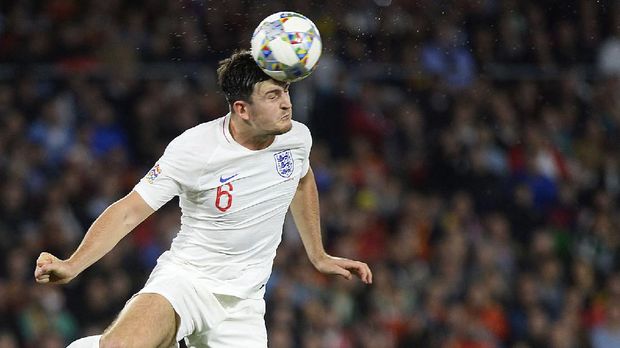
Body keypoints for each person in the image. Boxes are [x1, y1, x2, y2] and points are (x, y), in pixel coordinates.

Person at [33, 50, 373, 348]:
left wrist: (317, 254)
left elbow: (301, 178)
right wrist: (71, 264)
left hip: (244, 305)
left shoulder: (297, 138)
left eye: (285, 90)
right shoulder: (195, 149)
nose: (286, 102)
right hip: (188, 279)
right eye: (272, 96)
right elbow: (129, 210)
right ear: (242, 109)